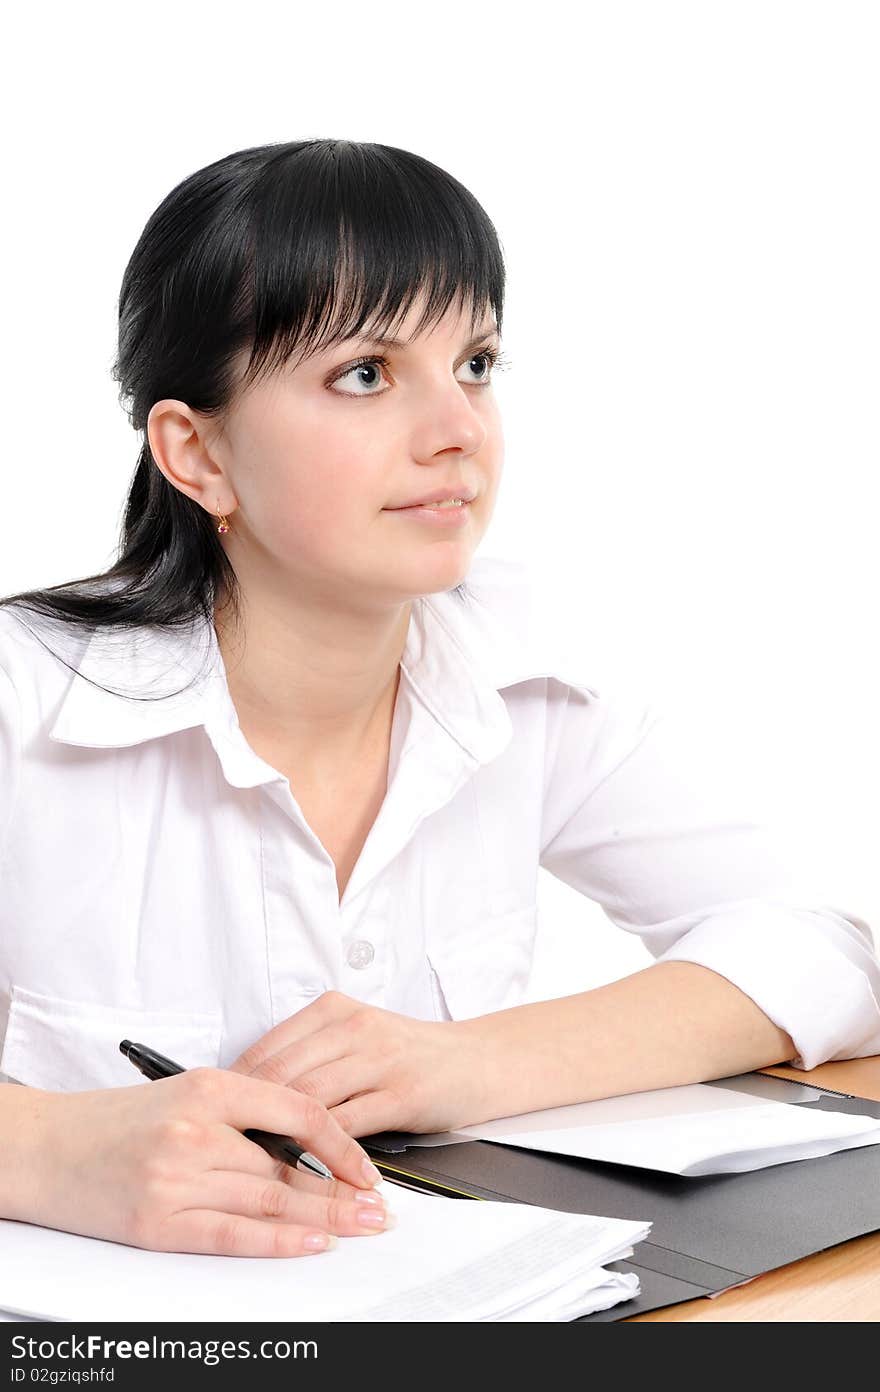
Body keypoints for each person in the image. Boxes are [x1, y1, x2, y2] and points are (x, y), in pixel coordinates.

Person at [1, 138, 878, 1261]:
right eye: (364, 375)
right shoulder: (25, 701)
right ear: (198, 454)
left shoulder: (525, 666)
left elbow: (827, 950)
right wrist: (45, 1149)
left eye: (473, 363)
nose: (458, 430)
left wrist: (460, 1063)